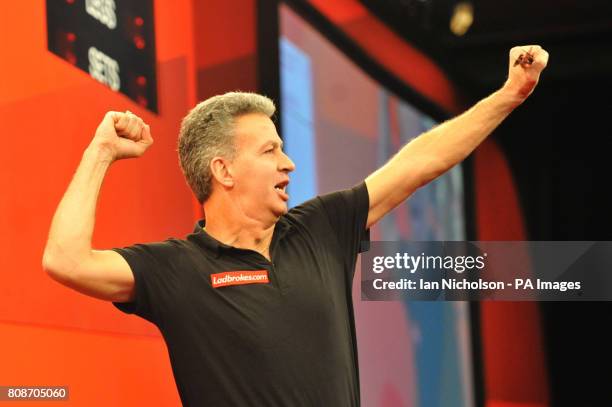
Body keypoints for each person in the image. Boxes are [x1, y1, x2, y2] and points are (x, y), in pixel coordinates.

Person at [43, 45, 548, 406]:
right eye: (271, 151)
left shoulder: (320, 228)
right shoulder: (177, 269)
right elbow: (65, 261)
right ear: (223, 171)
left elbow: (420, 164)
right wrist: (101, 152)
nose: (289, 165)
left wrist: (509, 95)